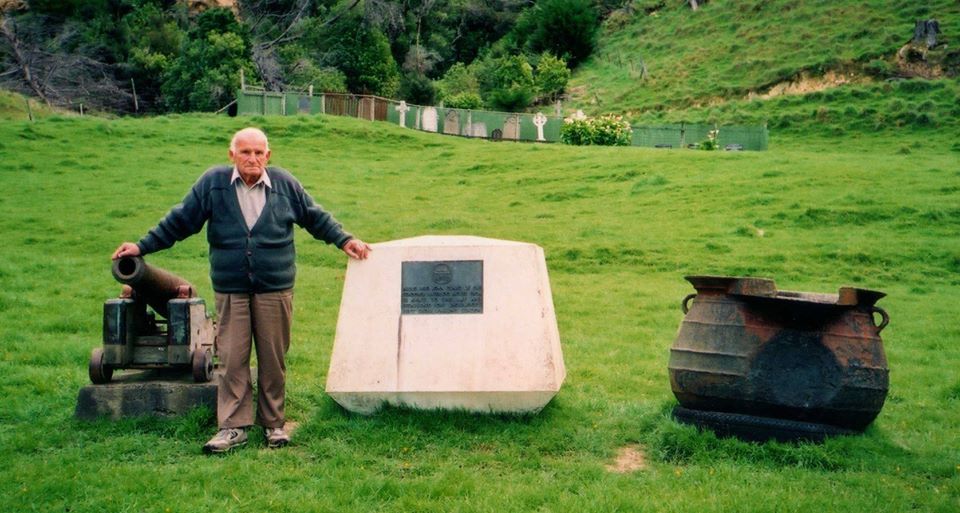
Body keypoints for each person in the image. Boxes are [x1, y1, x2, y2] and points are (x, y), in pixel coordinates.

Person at [113, 127, 371, 453]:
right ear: (231, 154)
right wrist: (141, 246)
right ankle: (233, 427)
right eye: (245, 152)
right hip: (231, 288)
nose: (252, 158)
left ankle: (274, 424)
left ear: (268, 155)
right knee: (232, 358)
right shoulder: (213, 183)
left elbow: (315, 217)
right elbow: (180, 221)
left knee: (272, 358)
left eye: (258, 152)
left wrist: (345, 240)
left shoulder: (285, 184)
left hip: (275, 288)